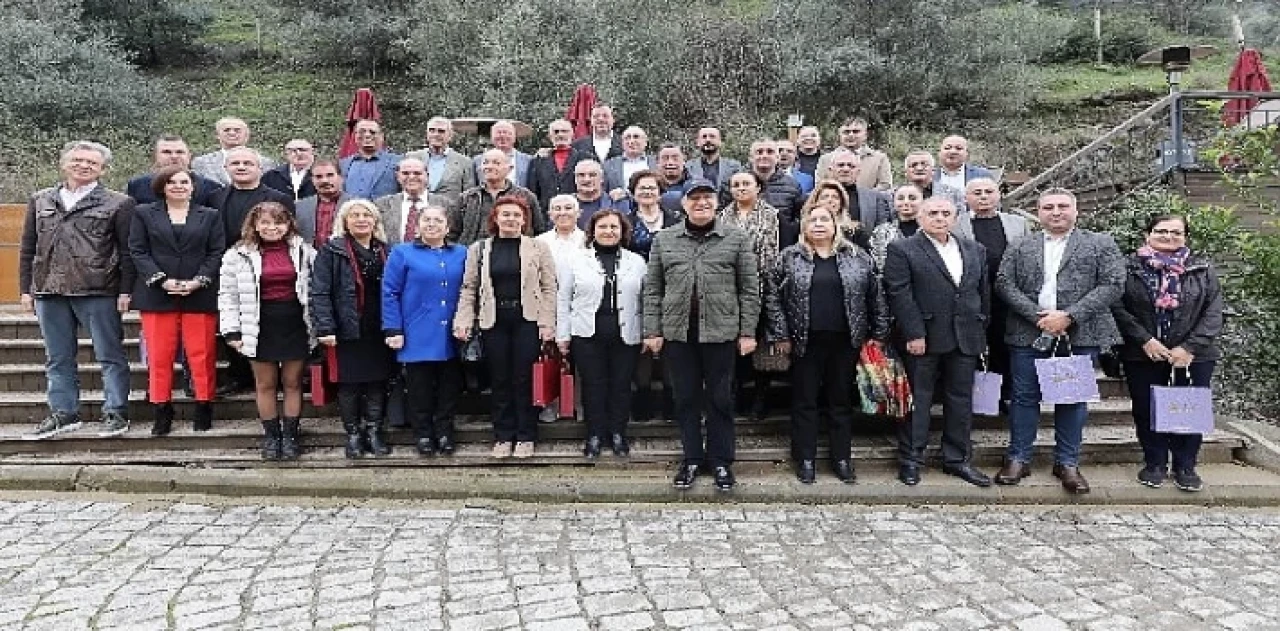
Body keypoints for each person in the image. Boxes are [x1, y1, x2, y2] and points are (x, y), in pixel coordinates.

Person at [994, 188, 1125, 494]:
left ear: (1075, 211)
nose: (1056, 212)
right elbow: (1004, 283)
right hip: (1028, 332)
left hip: (1078, 333)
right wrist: (1039, 316)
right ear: (1038, 213)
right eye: (1048, 207)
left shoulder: (1099, 243)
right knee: (1024, 398)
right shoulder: (1020, 244)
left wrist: (1069, 316)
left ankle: (1067, 462)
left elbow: (1113, 283)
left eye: (1063, 206)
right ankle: (1018, 458)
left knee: (1071, 398)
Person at [645, 179, 760, 492]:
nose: (701, 204)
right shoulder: (665, 239)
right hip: (678, 333)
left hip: (721, 332)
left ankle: (721, 461)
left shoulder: (735, 238)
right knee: (685, 398)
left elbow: (750, 289)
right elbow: (653, 288)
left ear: (716, 203)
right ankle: (693, 458)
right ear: (683, 204)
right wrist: (652, 329)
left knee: (720, 397)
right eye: (694, 199)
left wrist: (748, 331)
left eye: (707, 198)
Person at [19, 141, 135, 439]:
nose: (84, 166)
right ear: (64, 163)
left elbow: (126, 250)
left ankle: (116, 412)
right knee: (57, 357)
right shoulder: (40, 200)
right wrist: (26, 289)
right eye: (78, 160)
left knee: (110, 354)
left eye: (91, 163)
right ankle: (64, 412)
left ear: (102, 169)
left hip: (98, 289)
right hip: (49, 289)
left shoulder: (118, 203)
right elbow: (28, 248)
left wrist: (125, 290)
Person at [766, 204, 889, 484]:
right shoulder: (789, 257)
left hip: (846, 341)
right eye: (813, 219)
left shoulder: (857, 257)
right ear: (804, 226)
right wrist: (781, 334)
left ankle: (841, 458)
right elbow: (772, 299)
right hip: (803, 342)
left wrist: (879, 335)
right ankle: (806, 459)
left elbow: (876, 297)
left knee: (840, 401)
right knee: (804, 401)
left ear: (836, 225)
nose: (819, 224)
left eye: (825, 219)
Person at [883, 198, 993, 488]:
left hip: (965, 336)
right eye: (933, 213)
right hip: (924, 338)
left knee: (960, 400)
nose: (940, 218)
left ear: (956, 218)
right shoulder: (902, 248)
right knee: (918, 401)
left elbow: (983, 293)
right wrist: (913, 333)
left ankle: (957, 459)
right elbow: (899, 294)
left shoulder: (974, 249)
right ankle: (911, 460)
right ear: (920, 217)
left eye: (946, 213)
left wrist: (981, 328)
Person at [1112, 214, 1224, 492]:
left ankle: (1186, 465)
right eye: (1162, 231)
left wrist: (1189, 347)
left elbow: (1214, 312)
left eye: (1176, 232)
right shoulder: (1128, 267)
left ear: (1185, 236)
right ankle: (1154, 463)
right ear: (1148, 234)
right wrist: (1144, 339)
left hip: (1194, 356)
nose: (1169, 237)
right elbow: (1116, 307)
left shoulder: (1202, 268)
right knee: (1147, 410)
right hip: (1144, 353)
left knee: (1188, 410)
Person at [454, 196, 557, 459]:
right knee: (499, 380)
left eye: (516, 215)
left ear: (524, 220)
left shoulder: (538, 247)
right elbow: (469, 288)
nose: (511, 219)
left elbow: (549, 287)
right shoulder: (480, 249)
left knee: (524, 379)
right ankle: (502, 435)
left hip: (528, 321)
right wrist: (464, 319)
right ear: (495, 218)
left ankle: (525, 435)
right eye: (505, 214)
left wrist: (547, 323)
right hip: (493, 320)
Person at [129, 166, 225, 435]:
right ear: (161, 186)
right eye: (171, 182)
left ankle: (204, 405)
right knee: (159, 355)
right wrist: (161, 280)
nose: (178, 186)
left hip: (200, 293)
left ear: (193, 186)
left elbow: (216, 251)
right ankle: (162, 408)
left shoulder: (210, 215)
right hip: (158, 294)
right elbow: (137, 250)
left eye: (184, 181)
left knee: (201, 354)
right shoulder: (144, 213)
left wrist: (199, 280)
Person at [218, 202, 315, 461]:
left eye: (278, 222)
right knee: (266, 383)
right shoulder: (237, 255)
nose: (272, 228)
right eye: (265, 222)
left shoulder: (304, 252)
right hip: (257, 323)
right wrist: (231, 331)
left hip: (295, 322)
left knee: (293, 383)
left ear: (288, 224)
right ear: (255, 225)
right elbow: (227, 296)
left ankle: (291, 436)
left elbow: (316, 288)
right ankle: (272, 436)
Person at [556, 209, 646, 458]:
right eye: (603, 227)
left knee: (621, 385)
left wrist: (649, 332)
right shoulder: (575, 260)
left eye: (614, 227)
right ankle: (594, 434)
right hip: (586, 334)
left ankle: (618, 433)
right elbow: (563, 299)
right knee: (593, 386)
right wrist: (562, 335)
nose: (608, 232)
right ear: (593, 231)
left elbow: (645, 300)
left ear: (622, 231)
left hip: (625, 334)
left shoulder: (637, 262)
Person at [311, 199, 397, 459]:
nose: (361, 219)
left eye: (366, 215)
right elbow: (320, 291)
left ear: (375, 220)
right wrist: (325, 326)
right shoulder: (331, 250)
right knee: (348, 384)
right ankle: (353, 435)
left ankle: (373, 431)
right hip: (345, 328)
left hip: (379, 327)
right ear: (345, 221)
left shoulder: (387, 250)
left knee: (377, 382)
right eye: (354, 215)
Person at [208, 148, 295, 395]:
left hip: (269, 267)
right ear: (226, 168)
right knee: (235, 322)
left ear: (260, 168)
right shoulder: (215, 198)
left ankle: (275, 376)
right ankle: (239, 375)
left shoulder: (279, 198)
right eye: (235, 163)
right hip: (230, 269)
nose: (242, 167)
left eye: (248, 163)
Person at [383, 205, 468, 456]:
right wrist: (392, 328)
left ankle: (444, 432)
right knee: (419, 387)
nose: (432, 224)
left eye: (438, 220)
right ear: (417, 226)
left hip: (452, 331)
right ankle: (423, 434)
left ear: (447, 226)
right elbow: (390, 292)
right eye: (426, 220)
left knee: (449, 387)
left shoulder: (461, 252)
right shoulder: (402, 253)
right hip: (416, 331)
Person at [954, 177, 1031, 403]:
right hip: (973, 296)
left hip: (1009, 297)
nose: (983, 197)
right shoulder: (957, 224)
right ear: (966, 198)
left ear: (998, 195)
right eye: (977, 193)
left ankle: (1007, 394)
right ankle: (981, 399)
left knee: (1004, 344)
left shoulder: (1018, 223)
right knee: (975, 347)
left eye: (989, 191)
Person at [719, 170, 782, 420]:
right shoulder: (722, 217)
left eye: (746, 184)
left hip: (762, 287)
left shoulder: (773, 216)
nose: (741, 188)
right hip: (728, 291)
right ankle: (734, 395)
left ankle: (760, 397)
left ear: (758, 187)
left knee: (759, 346)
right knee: (732, 348)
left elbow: (775, 253)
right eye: (736, 185)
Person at [623, 170, 679, 423]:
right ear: (633, 193)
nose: (647, 192)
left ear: (660, 192)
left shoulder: (676, 219)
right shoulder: (625, 221)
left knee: (671, 342)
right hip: (635, 289)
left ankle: (672, 401)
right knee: (640, 343)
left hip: (671, 288)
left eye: (652, 188)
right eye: (641, 188)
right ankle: (642, 400)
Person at [452, 149, 544, 245]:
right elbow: (453, 233)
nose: (489, 167)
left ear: (509, 169)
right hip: (473, 254)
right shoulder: (467, 197)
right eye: (485, 163)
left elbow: (539, 231)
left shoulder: (525, 196)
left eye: (496, 163)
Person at [374, 157, 454, 245]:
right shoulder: (382, 205)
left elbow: (452, 237)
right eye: (405, 173)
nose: (411, 177)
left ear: (427, 175)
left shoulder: (446, 204)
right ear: (398, 176)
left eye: (417, 173)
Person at [127, 134, 224, 207]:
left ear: (189, 156)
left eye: (180, 152)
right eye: (167, 152)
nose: (174, 156)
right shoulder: (137, 186)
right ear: (155, 156)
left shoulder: (211, 188)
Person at [404, 117, 476, 201]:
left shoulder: (464, 162)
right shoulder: (412, 157)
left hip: (449, 212)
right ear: (427, 134)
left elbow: (469, 195)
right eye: (432, 130)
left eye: (441, 131)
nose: (436, 134)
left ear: (450, 136)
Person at [191, 117, 277, 186]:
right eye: (226, 130)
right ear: (217, 135)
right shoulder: (201, 162)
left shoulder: (266, 163)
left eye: (237, 130)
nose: (232, 133)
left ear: (247, 135)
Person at [528, 119, 590, 211]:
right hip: (547, 217)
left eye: (564, 131)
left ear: (572, 134)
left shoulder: (586, 158)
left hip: (578, 214)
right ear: (550, 136)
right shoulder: (538, 161)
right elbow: (532, 193)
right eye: (556, 132)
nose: (560, 134)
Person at [826, 149, 893, 232]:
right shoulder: (815, 197)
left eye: (851, 166)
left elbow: (882, 231)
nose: (846, 169)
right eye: (841, 165)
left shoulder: (875, 199)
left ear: (858, 171)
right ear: (830, 170)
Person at [816, 117, 892, 190]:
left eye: (856, 131)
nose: (851, 135)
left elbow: (885, 185)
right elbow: (819, 186)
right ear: (839, 135)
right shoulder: (825, 159)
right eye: (846, 132)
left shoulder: (879, 159)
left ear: (865, 135)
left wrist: (865, 197)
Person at [798, 180, 871, 251]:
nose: (830, 200)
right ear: (815, 202)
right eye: (825, 197)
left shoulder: (855, 232)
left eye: (835, 197)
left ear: (842, 203)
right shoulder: (802, 229)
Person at [296, 160, 355, 248]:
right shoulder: (299, 207)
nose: (325, 180)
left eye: (330, 175)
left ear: (341, 178)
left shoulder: (356, 204)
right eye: (318, 177)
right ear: (312, 180)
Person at [341, 119, 401, 200]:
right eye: (362, 132)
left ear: (381, 136)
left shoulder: (398, 162)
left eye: (372, 132)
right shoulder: (342, 164)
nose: (367, 135)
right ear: (355, 136)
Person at [748, 139, 806, 221]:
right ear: (751, 158)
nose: (764, 156)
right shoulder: (740, 184)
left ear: (777, 157)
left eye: (770, 152)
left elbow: (799, 219)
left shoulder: (793, 186)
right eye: (759, 152)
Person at [869, 184, 924, 271]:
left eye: (912, 198)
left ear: (922, 201)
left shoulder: (931, 231)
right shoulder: (882, 231)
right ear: (894, 202)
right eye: (900, 198)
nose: (906, 202)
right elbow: (879, 265)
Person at [685, 127, 743, 198]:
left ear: (720, 142)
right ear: (698, 142)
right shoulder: (688, 167)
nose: (708, 140)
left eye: (712, 136)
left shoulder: (734, 167)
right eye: (704, 137)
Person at [472, 120, 532, 188]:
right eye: (498, 133)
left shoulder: (529, 160)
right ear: (491, 138)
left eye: (507, 133)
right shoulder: (478, 161)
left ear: (515, 137)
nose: (502, 136)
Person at [603, 126, 656, 198]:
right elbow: (603, 193)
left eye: (636, 137)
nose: (631, 141)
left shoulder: (656, 163)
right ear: (622, 143)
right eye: (627, 138)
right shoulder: (608, 165)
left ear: (645, 142)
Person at [569, 160, 619, 229]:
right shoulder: (564, 205)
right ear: (575, 179)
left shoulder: (616, 203)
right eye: (581, 175)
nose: (587, 180)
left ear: (602, 178)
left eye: (592, 175)